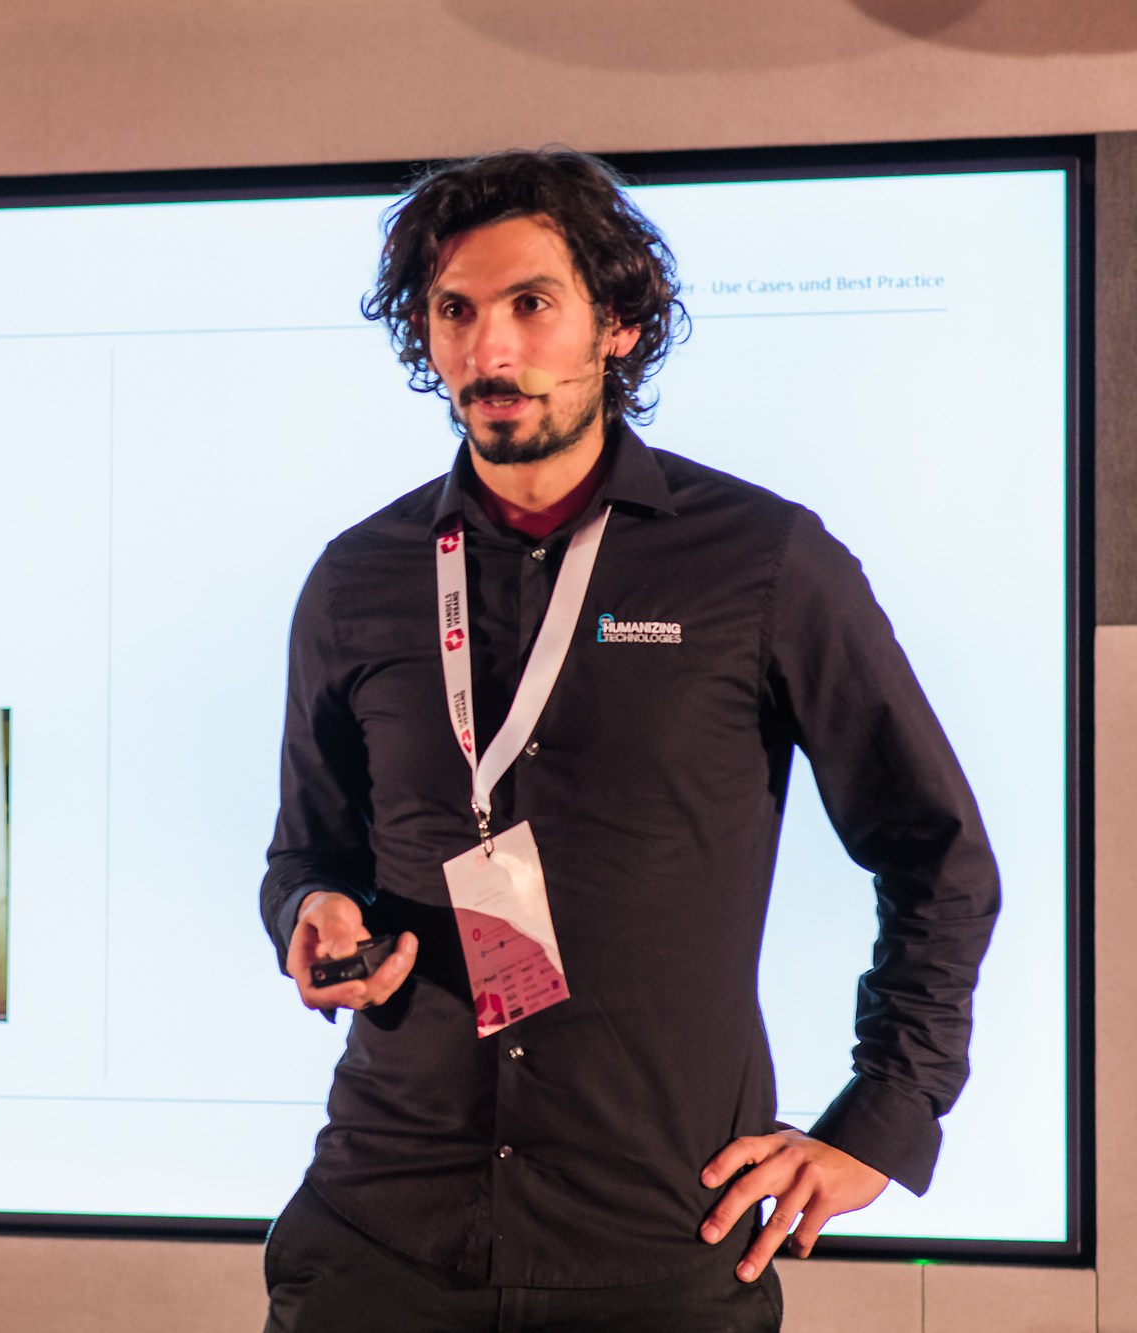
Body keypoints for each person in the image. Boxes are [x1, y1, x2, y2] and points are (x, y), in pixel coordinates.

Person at [259, 149, 1000, 1332]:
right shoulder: (357, 578)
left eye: (529, 304)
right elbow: (308, 850)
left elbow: (936, 855)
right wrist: (311, 911)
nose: (489, 350)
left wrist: (883, 1115)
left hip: (658, 1248)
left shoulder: (760, 562)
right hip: (380, 1239)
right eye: (454, 311)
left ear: (618, 324)